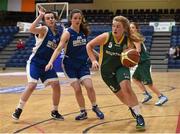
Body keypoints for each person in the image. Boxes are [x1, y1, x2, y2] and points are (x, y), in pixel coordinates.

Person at [86, 16, 145, 130]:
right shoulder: (106, 36)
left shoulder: (127, 40)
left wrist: (132, 60)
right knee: (123, 98)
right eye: (113, 26)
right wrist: (94, 60)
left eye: (118, 26)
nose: (115, 28)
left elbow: (132, 55)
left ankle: (139, 116)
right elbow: (89, 45)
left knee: (127, 87)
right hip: (106, 72)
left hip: (120, 68)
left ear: (124, 28)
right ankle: (132, 108)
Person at [45, 9, 104, 120]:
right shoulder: (67, 33)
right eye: (75, 18)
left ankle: (95, 107)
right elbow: (58, 49)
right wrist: (50, 62)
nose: (77, 20)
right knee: (77, 89)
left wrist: (100, 57)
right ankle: (83, 112)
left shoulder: (83, 32)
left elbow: (88, 48)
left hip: (82, 65)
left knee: (89, 86)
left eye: (79, 18)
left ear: (82, 19)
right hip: (69, 65)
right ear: (71, 19)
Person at [12, 6, 64, 120]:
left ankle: (55, 111)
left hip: (46, 64)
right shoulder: (44, 29)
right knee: (32, 85)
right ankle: (18, 109)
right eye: (48, 18)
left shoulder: (59, 34)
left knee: (56, 85)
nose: (50, 19)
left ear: (55, 19)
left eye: (52, 18)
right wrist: (40, 15)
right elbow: (31, 29)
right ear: (45, 21)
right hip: (35, 62)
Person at [129, 22, 168, 106]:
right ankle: (146, 94)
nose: (131, 29)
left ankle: (161, 96)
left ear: (136, 29)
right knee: (135, 78)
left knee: (147, 82)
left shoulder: (135, 37)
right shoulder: (134, 37)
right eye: (130, 28)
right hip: (141, 62)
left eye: (133, 27)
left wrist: (128, 55)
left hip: (144, 62)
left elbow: (138, 50)